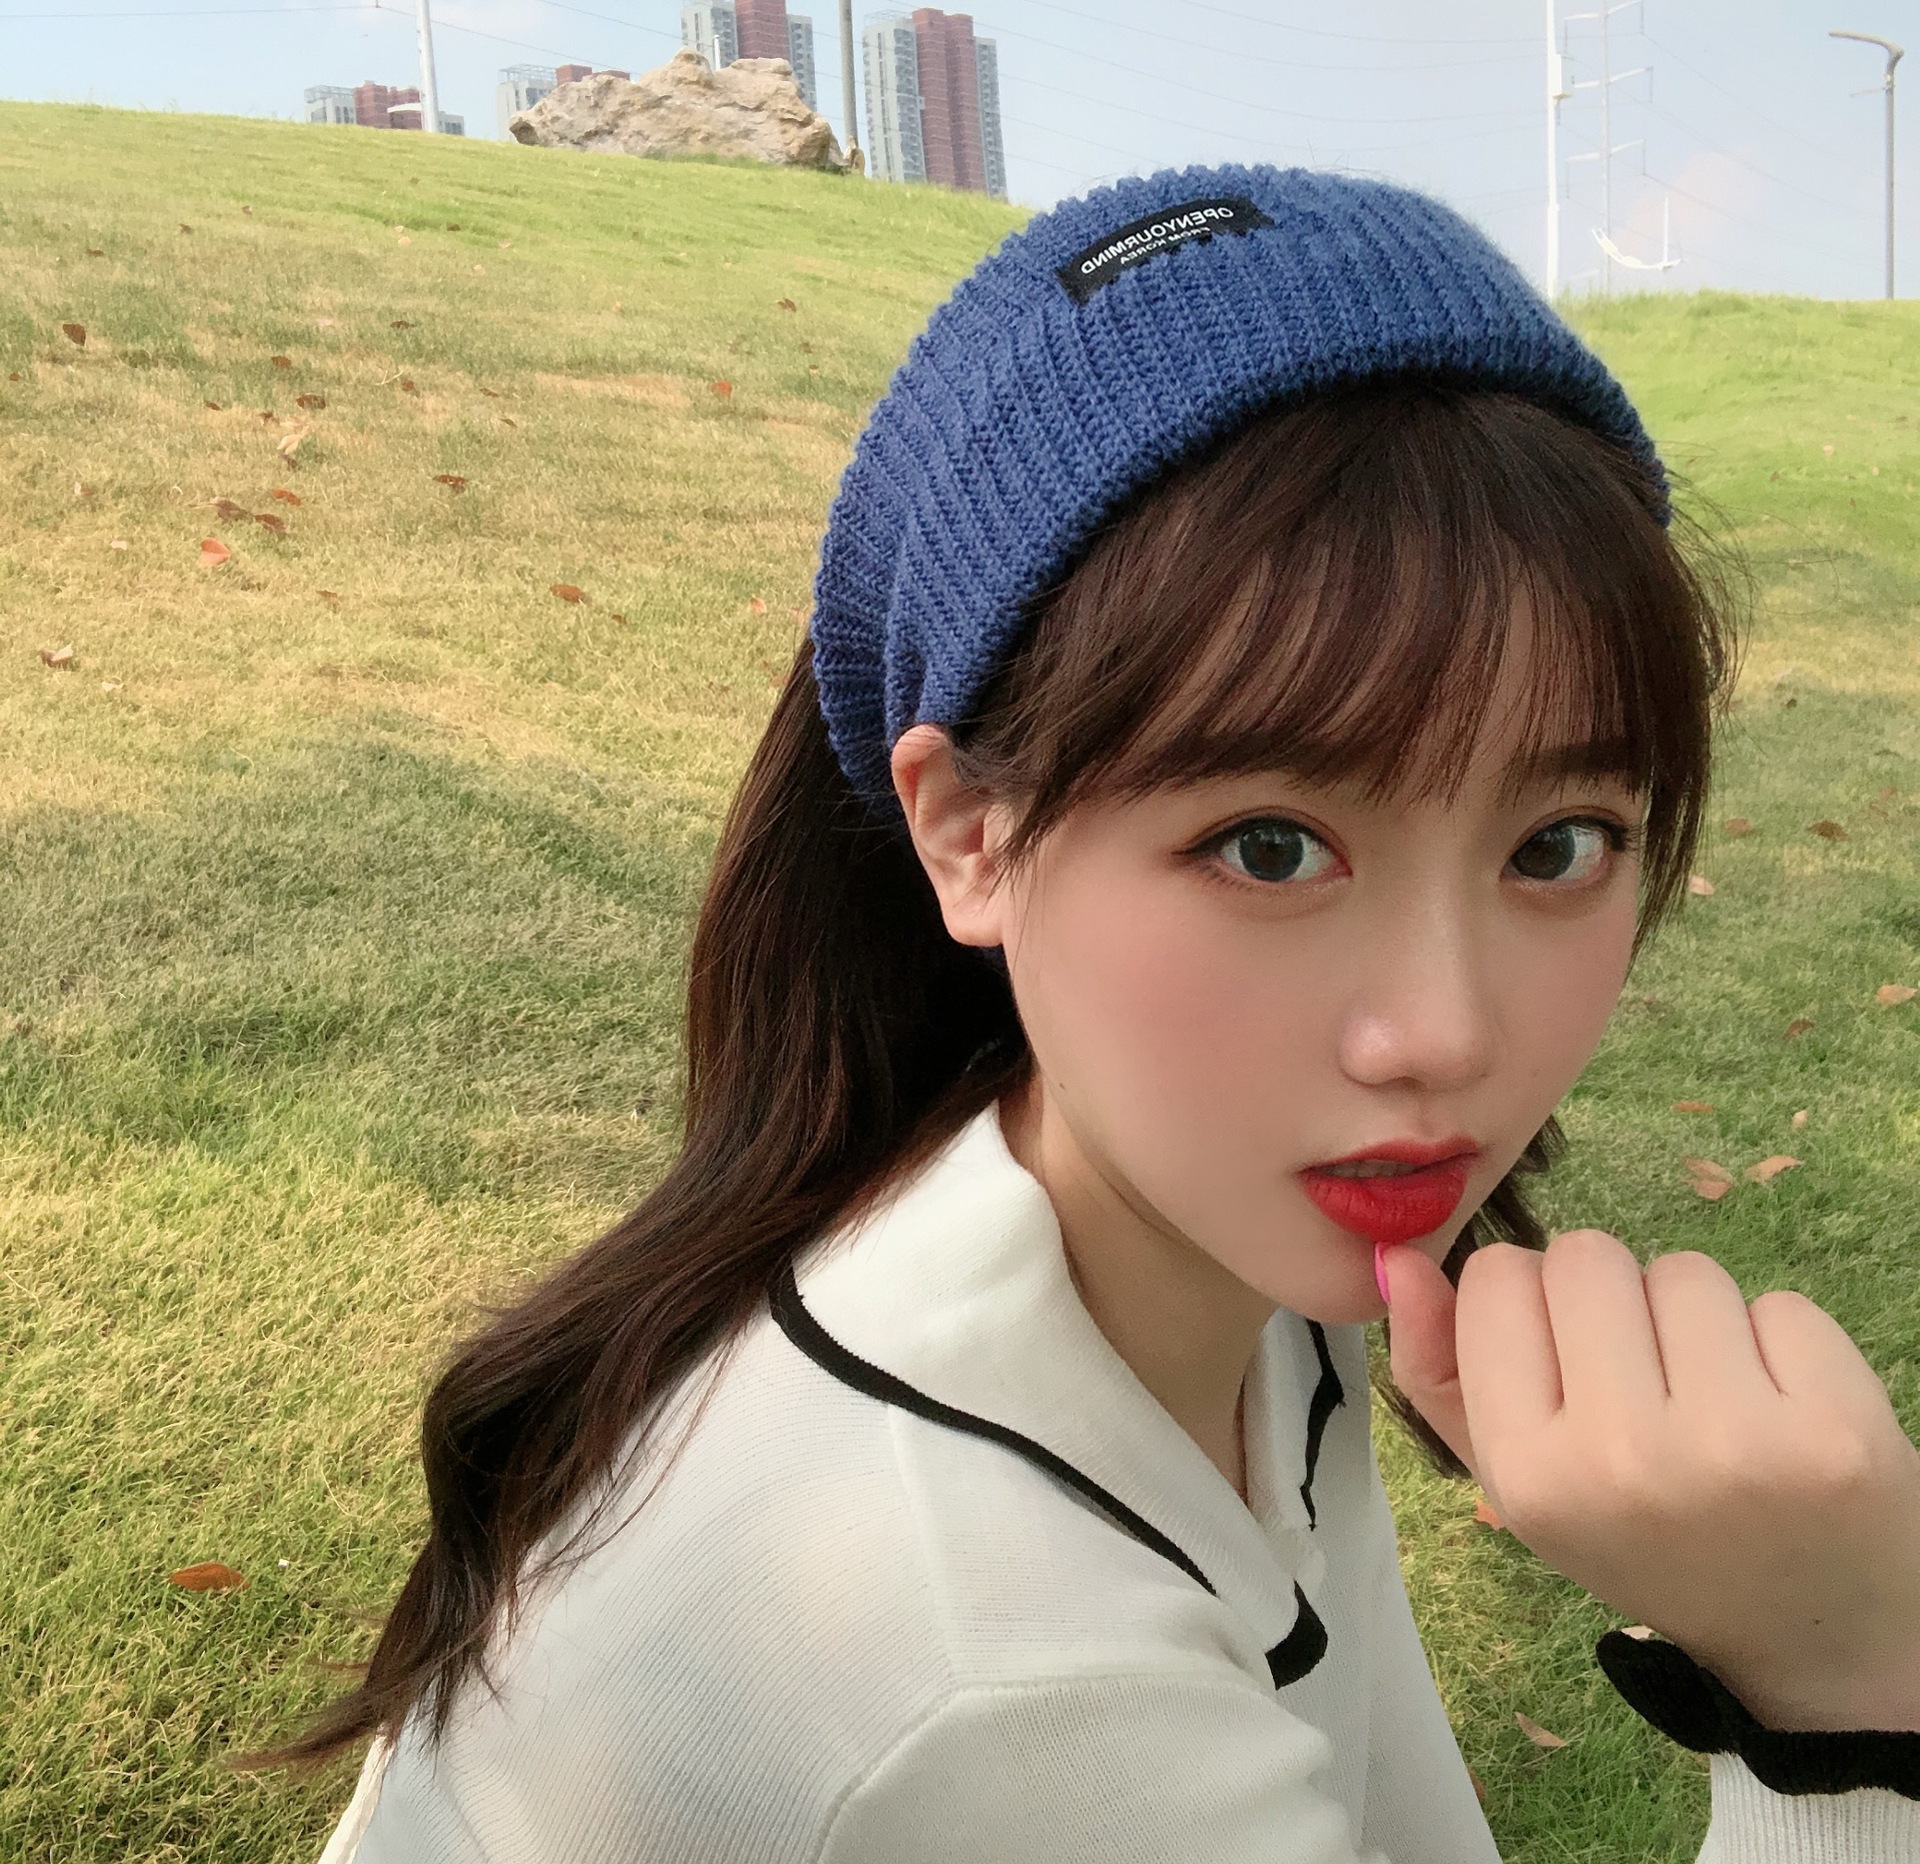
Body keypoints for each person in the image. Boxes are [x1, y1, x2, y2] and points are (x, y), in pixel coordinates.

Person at [286, 166, 1920, 1861]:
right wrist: (1847, 1691)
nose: (1441, 1034)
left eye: (1559, 844)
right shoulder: (992, 1675)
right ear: (967, 835)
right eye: (1269, 847)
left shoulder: (1197, 1263)